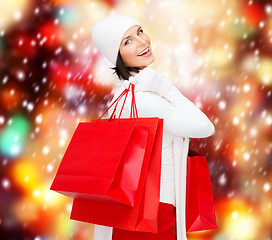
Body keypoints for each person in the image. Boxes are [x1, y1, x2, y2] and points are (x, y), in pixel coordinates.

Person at [91, 14, 215, 240]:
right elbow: (205, 127)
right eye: (127, 41)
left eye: (139, 32)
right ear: (116, 56)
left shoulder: (119, 97)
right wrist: (164, 86)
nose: (142, 42)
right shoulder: (146, 101)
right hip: (155, 208)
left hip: (127, 209)